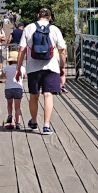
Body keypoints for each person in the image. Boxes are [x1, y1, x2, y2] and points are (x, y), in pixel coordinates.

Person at [16, 7, 67, 135]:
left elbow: (22, 50)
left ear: (38, 16)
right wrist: (62, 67)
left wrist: (18, 68)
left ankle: (34, 122)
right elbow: (62, 51)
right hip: (51, 67)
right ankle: (46, 126)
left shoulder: (28, 28)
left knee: (34, 95)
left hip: (33, 68)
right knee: (48, 95)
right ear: (50, 18)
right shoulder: (55, 29)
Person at [4, 47, 24, 129]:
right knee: (17, 107)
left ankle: (10, 115)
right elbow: (24, 76)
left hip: (8, 88)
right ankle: (18, 123)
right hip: (18, 88)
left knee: (9, 104)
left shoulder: (7, 68)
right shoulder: (22, 68)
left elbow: (2, 75)